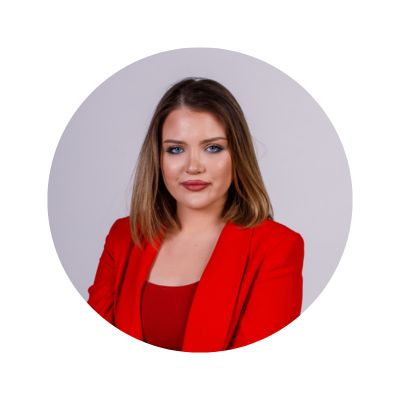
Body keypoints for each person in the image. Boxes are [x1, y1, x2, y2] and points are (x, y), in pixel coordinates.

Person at [87, 77, 304, 352]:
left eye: (213, 147)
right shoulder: (123, 237)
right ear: (158, 157)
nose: (193, 166)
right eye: (176, 149)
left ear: (237, 155)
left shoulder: (277, 247)